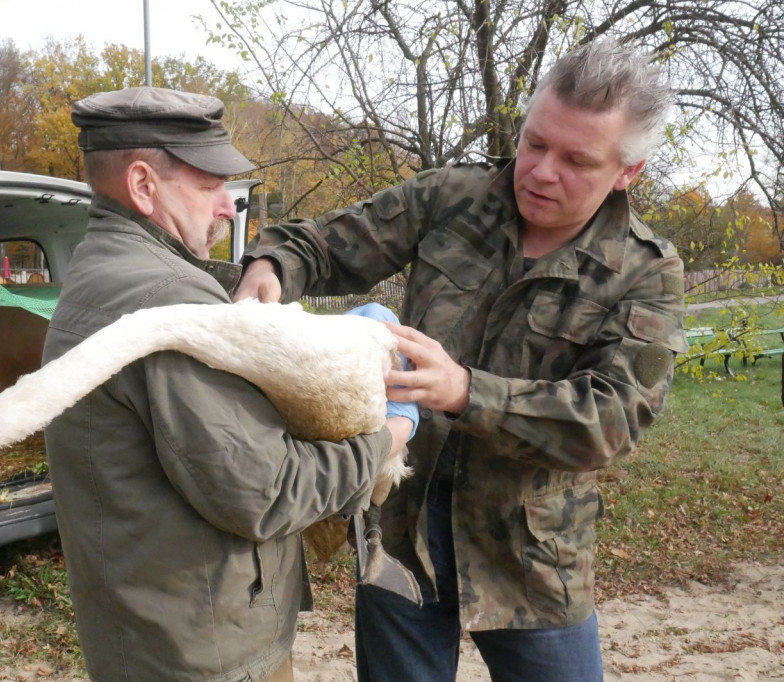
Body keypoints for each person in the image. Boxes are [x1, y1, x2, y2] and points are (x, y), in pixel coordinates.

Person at [234, 40, 688, 681]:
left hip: (533, 557)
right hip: (403, 530)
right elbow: (332, 243)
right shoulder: (455, 195)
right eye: (535, 143)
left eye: (576, 159)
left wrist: (467, 392)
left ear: (627, 172)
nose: (540, 171)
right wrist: (273, 264)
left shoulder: (646, 273)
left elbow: (612, 421)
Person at [41, 87, 416, 682]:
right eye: (209, 184)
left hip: (152, 633)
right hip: (206, 653)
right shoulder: (166, 300)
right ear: (143, 185)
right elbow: (265, 492)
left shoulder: (101, 267)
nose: (227, 207)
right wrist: (391, 434)